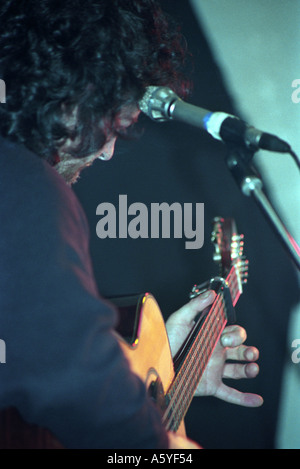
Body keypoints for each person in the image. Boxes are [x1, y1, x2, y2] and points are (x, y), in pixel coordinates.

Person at [0, 0, 263, 449]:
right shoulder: (24, 181)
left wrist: (157, 368)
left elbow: (28, 348)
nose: (105, 153)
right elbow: (75, 379)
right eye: (111, 125)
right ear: (74, 94)